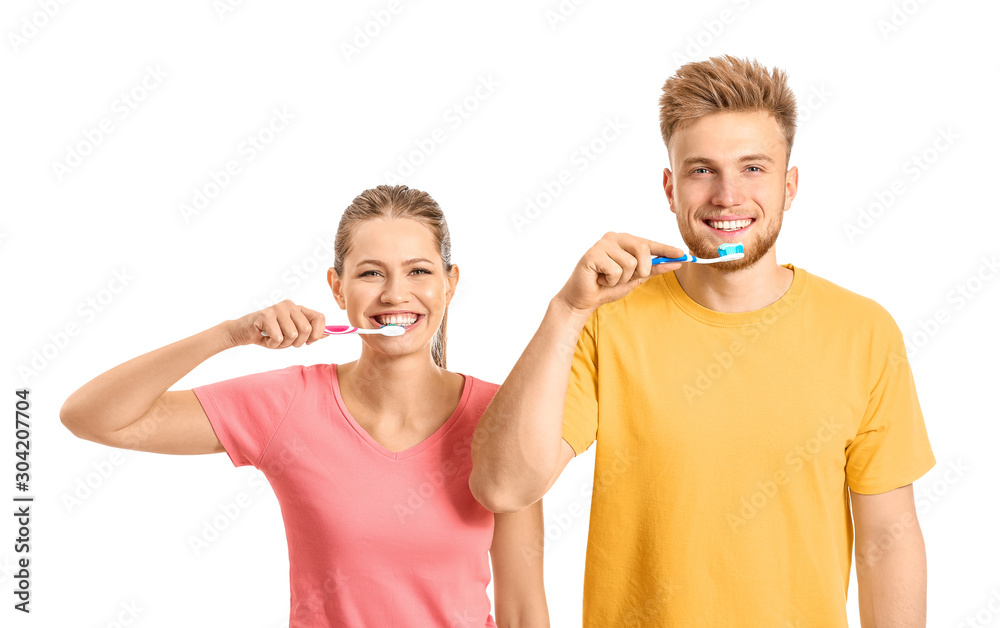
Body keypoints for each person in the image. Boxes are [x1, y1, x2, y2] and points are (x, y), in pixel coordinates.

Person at [469, 55, 935, 627]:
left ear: (790, 186)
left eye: (753, 168)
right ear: (670, 188)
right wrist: (566, 312)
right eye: (702, 171)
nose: (728, 196)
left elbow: (887, 536)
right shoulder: (606, 321)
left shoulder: (863, 332)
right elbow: (502, 485)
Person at [60, 184, 549, 627]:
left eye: (418, 270)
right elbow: (92, 418)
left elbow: (524, 610)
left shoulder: (501, 415)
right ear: (337, 288)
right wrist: (229, 335)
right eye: (371, 273)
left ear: (450, 282)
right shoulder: (288, 404)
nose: (396, 293)